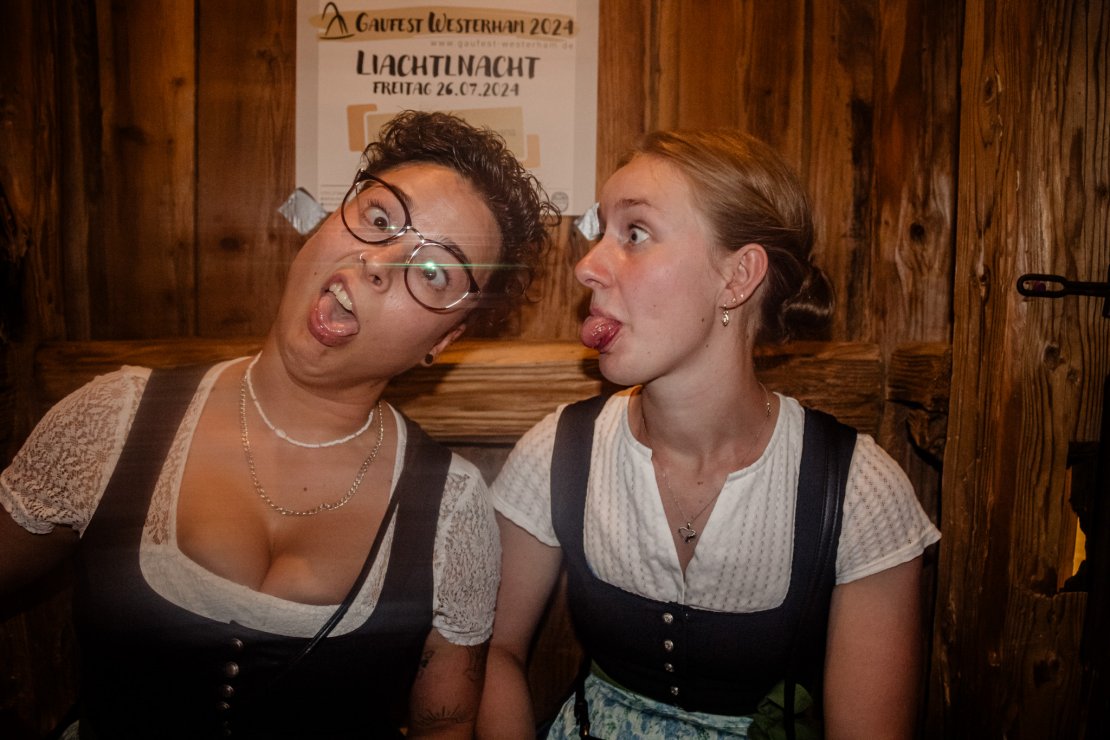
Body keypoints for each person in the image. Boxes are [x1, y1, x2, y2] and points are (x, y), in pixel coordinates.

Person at [0, 110, 556, 739]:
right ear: (326, 222)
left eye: (432, 273)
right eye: (380, 219)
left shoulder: (451, 508)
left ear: (444, 340)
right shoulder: (114, 418)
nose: (379, 263)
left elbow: (443, 729)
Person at [478, 129, 941, 739]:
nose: (585, 267)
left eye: (635, 234)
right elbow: (491, 650)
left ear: (738, 276)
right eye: (600, 232)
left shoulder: (859, 490)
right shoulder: (557, 451)